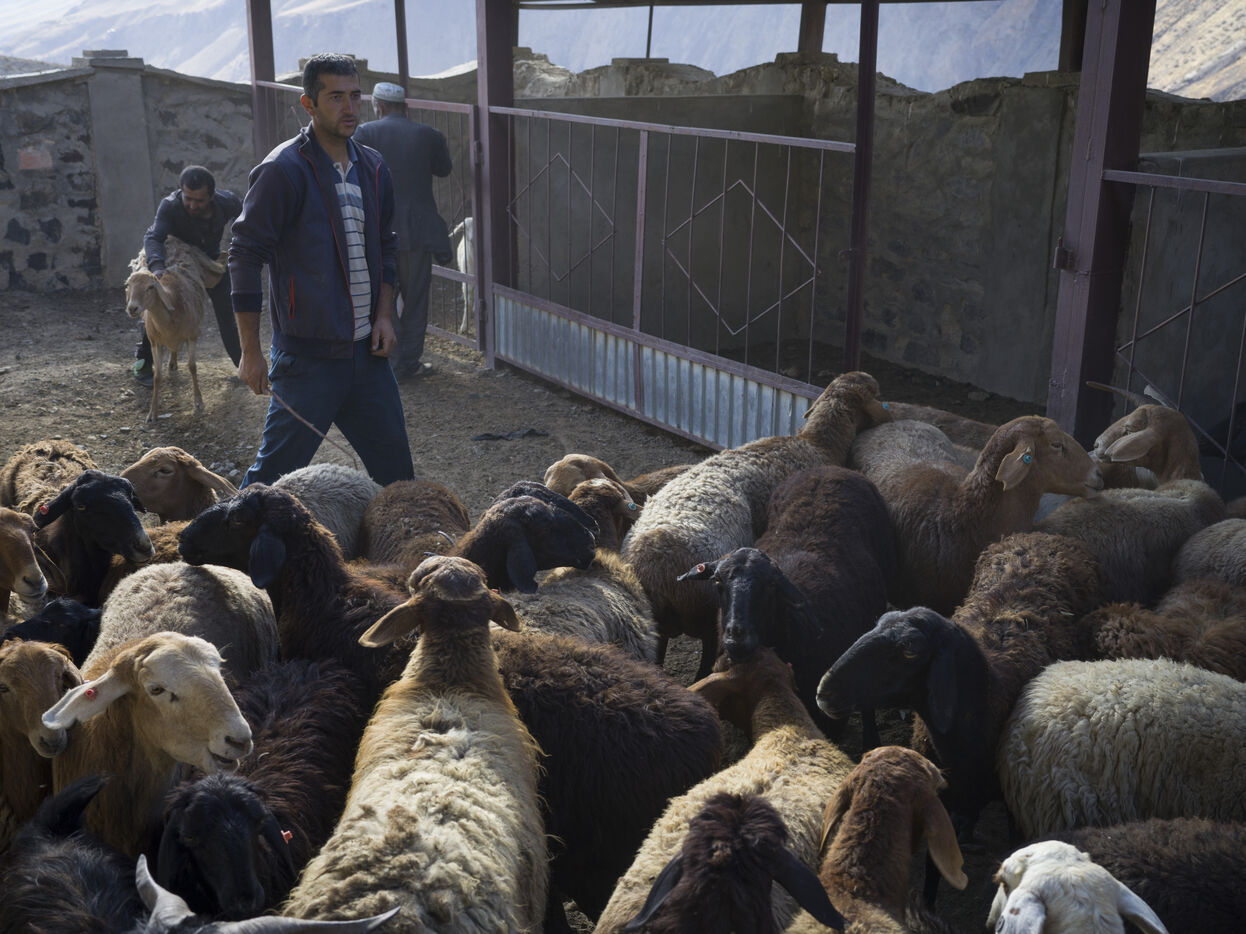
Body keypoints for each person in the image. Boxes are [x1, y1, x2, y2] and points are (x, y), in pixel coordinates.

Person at [228, 52, 415, 488]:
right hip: (307, 361)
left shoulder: (373, 167)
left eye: (355, 96)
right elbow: (244, 255)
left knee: (400, 483)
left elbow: (387, 245)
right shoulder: (283, 170)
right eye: (335, 97)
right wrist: (250, 352)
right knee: (268, 486)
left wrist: (384, 316)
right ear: (308, 104)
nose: (349, 108)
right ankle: (229, 534)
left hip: (368, 358)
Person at [353, 81, 453, 379]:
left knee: (381, 298)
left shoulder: (364, 134)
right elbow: (444, 169)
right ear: (404, 107)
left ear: (379, 106)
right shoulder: (428, 135)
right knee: (416, 300)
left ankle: (392, 360)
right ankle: (410, 362)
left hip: (379, 232)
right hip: (417, 233)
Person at [133, 165, 243, 386]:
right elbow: (154, 237)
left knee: (228, 313)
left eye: (199, 201)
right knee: (156, 307)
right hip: (177, 263)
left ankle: (244, 367)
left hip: (208, 261)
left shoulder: (228, 202)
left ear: (211, 196)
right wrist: (158, 268)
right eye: (188, 198)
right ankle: (143, 363)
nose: (193, 205)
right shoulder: (170, 206)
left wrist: (242, 246)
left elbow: (249, 220)